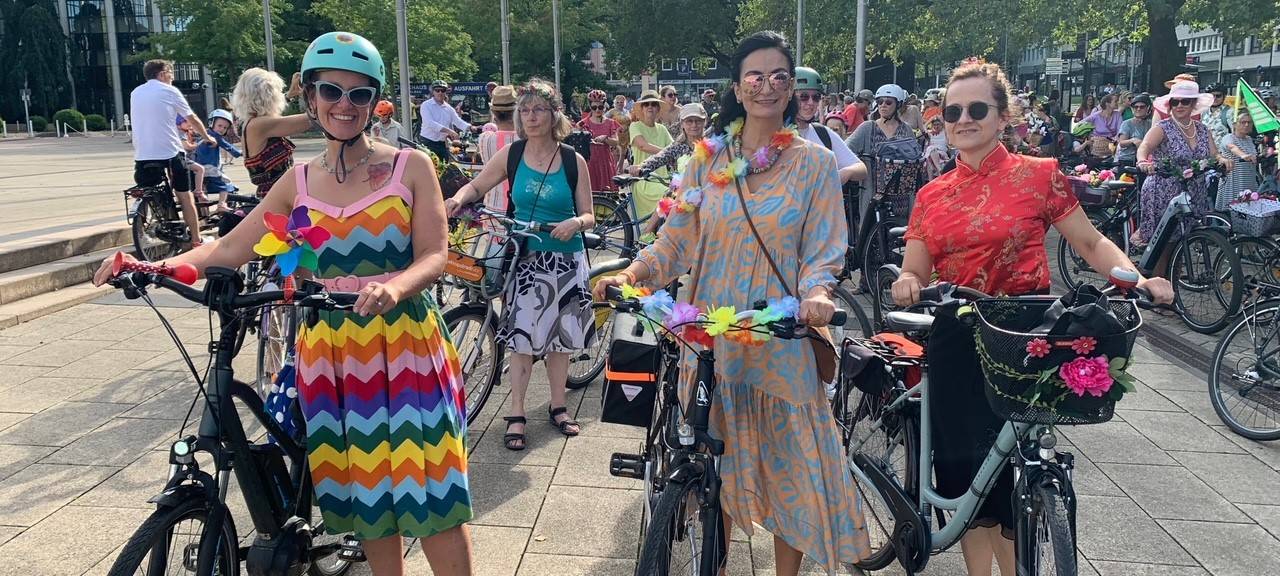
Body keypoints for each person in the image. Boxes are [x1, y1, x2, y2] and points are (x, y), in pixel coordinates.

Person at [97, 31, 474, 575]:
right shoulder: (297, 181)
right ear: (311, 97)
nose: (344, 104)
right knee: (368, 503)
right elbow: (230, 246)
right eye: (331, 91)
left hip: (407, 343)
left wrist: (395, 286)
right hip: (331, 350)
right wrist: (149, 265)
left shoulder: (410, 166)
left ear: (376, 102)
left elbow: (435, 255)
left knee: (433, 498)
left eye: (359, 94)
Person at [594, 31, 871, 576]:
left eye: (779, 76)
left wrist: (818, 294)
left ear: (791, 88)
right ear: (738, 88)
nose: (767, 86)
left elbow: (823, 250)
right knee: (709, 463)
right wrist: (634, 271)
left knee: (794, 470)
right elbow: (677, 240)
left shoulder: (814, 164)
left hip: (780, 335)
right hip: (709, 335)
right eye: (755, 75)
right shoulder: (706, 160)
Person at [892, 58, 1173, 576]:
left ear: (1003, 117)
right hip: (958, 333)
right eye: (952, 110)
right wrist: (908, 283)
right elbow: (914, 266)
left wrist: (1137, 279)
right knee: (964, 475)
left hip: (1024, 335)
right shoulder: (931, 195)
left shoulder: (1040, 175)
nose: (963, 118)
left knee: (1014, 473)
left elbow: (1090, 241)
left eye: (977, 108)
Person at [443, 78, 597, 452]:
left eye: (539, 109)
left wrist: (575, 223)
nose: (531, 117)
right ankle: (516, 412)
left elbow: (590, 214)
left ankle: (559, 406)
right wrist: (456, 199)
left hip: (564, 258)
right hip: (525, 259)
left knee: (561, 340)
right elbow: (477, 187)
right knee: (522, 339)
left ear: (553, 114)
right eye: (524, 110)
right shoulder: (511, 155)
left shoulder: (572, 160)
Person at [130, 59, 215, 249]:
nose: (172, 79)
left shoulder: (135, 92)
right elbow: (190, 118)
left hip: (143, 154)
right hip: (169, 152)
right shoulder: (170, 91)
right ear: (162, 74)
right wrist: (207, 136)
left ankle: (145, 231)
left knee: (147, 189)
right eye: (171, 74)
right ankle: (196, 240)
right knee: (185, 195)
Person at [1137, 81, 1234, 245]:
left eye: (1185, 101)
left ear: (1194, 104)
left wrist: (1222, 159)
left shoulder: (1203, 129)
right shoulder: (1163, 127)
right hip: (1163, 190)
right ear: (1170, 105)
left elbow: (1214, 154)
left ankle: (1176, 270)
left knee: (1185, 242)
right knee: (1163, 245)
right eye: (1175, 101)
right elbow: (1145, 146)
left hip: (1194, 191)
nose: (1179, 105)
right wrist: (1143, 161)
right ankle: (1158, 272)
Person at [231, 67, 308, 198]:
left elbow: (274, 118)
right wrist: (312, 93)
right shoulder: (260, 125)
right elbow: (311, 119)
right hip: (278, 198)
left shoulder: (251, 122)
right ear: (269, 95)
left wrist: (290, 95)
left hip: (271, 195)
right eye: (277, 91)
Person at [794, 66, 866, 184]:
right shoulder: (774, 133)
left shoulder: (822, 133)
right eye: (804, 97)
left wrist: (844, 174)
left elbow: (860, 168)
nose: (811, 102)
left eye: (816, 97)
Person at [629, 90, 675, 221]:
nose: (650, 106)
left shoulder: (662, 129)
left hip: (663, 179)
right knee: (669, 197)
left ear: (658, 109)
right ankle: (648, 231)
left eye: (654, 104)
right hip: (643, 180)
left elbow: (674, 148)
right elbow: (643, 145)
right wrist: (666, 153)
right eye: (646, 104)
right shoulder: (635, 126)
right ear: (642, 109)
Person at [477, 85, 518, 212]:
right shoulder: (526, 140)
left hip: (493, 207)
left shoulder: (484, 138)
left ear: (494, 113)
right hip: (520, 209)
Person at [192, 109, 242, 210]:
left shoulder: (203, 133)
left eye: (225, 127)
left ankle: (203, 210)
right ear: (212, 123)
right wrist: (240, 153)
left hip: (197, 169)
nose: (222, 129)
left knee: (202, 188)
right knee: (226, 185)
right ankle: (222, 204)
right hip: (211, 168)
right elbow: (229, 147)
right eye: (219, 126)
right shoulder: (216, 137)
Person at [1217, 111, 1260, 211]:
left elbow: (1253, 156)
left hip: (1248, 180)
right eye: (1243, 122)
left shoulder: (1249, 139)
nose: (1246, 125)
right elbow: (1232, 147)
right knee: (1232, 209)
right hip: (1234, 180)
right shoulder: (1229, 138)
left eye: (1249, 122)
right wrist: (1243, 155)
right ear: (1235, 124)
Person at [578, 89, 620, 191]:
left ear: (604, 106)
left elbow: (616, 141)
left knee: (608, 194)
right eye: (594, 107)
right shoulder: (583, 124)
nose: (597, 110)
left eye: (600, 107)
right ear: (590, 107)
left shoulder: (610, 123)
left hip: (605, 162)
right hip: (589, 162)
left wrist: (605, 138)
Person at [419, 80, 470, 162]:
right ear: (433, 92)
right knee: (429, 169)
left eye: (442, 90)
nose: (440, 93)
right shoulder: (426, 105)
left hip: (441, 143)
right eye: (437, 90)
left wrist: (471, 127)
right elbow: (430, 123)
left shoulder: (448, 108)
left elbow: (458, 121)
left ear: (446, 92)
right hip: (427, 142)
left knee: (444, 168)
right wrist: (449, 131)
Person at [1081, 93, 1123, 160]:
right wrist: (1089, 135)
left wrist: (1115, 139)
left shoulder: (1117, 115)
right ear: (1107, 103)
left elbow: (1120, 130)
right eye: (1115, 101)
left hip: (1112, 144)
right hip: (1097, 145)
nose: (1117, 102)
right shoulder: (1096, 115)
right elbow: (1081, 123)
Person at [1115, 93, 1153, 166]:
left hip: (1146, 160)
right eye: (1136, 107)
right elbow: (1121, 143)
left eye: (1142, 107)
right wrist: (1133, 140)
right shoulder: (1127, 123)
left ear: (1148, 108)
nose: (1138, 109)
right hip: (1127, 159)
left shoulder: (1151, 123)